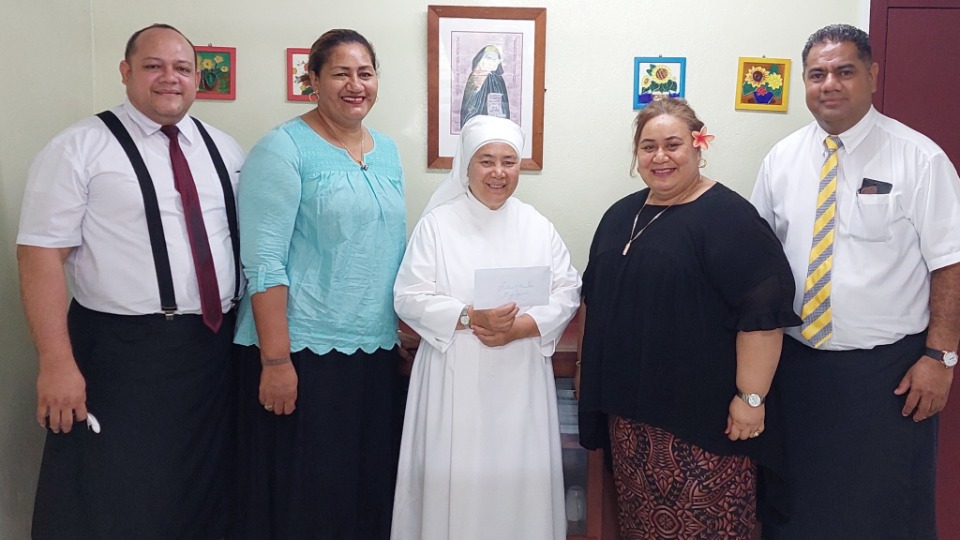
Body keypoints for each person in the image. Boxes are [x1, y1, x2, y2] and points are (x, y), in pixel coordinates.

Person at [17, 23, 244, 539]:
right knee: (113, 496)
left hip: (213, 349)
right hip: (120, 352)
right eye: (154, 66)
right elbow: (39, 258)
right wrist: (56, 364)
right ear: (126, 72)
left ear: (197, 78)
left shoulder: (225, 150)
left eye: (182, 68)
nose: (170, 78)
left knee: (203, 491)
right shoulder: (78, 148)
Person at [750, 24, 960, 539]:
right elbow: (758, 259)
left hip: (888, 373)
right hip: (797, 369)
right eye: (817, 74)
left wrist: (941, 358)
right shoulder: (782, 159)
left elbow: (951, 263)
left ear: (872, 75)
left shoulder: (920, 158)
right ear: (804, 82)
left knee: (885, 512)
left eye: (845, 71)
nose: (830, 84)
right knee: (795, 508)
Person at [577, 97, 801, 539]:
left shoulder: (729, 218)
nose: (660, 157)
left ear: (699, 147)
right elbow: (594, 299)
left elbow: (763, 310)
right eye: (648, 146)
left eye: (673, 144)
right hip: (632, 423)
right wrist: (585, 369)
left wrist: (751, 398)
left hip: (706, 426)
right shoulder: (620, 215)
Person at [232, 29, 407, 539]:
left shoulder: (388, 151)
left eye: (365, 73)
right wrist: (276, 361)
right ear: (312, 80)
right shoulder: (282, 148)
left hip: (373, 352)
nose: (356, 85)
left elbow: (390, 249)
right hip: (301, 352)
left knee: (364, 490)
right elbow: (263, 263)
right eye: (340, 73)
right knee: (307, 497)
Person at [391, 115, 581, 540]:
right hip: (454, 377)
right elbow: (407, 296)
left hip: (520, 379)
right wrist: (467, 316)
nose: (498, 172)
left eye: (509, 161)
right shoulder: (438, 225)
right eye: (486, 160)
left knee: (518, 487)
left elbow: (568, 289)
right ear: (466, 166)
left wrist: (525, 326)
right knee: (454, 484)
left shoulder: (537, 225)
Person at [459, 45, 510, 129]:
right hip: (476, 123)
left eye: (495, 60)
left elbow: (503, 105)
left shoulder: (498, 79)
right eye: (488, 58)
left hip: (495, 121)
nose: (491, 62)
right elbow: (469, 104)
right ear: (481, 59)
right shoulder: (475, 76)